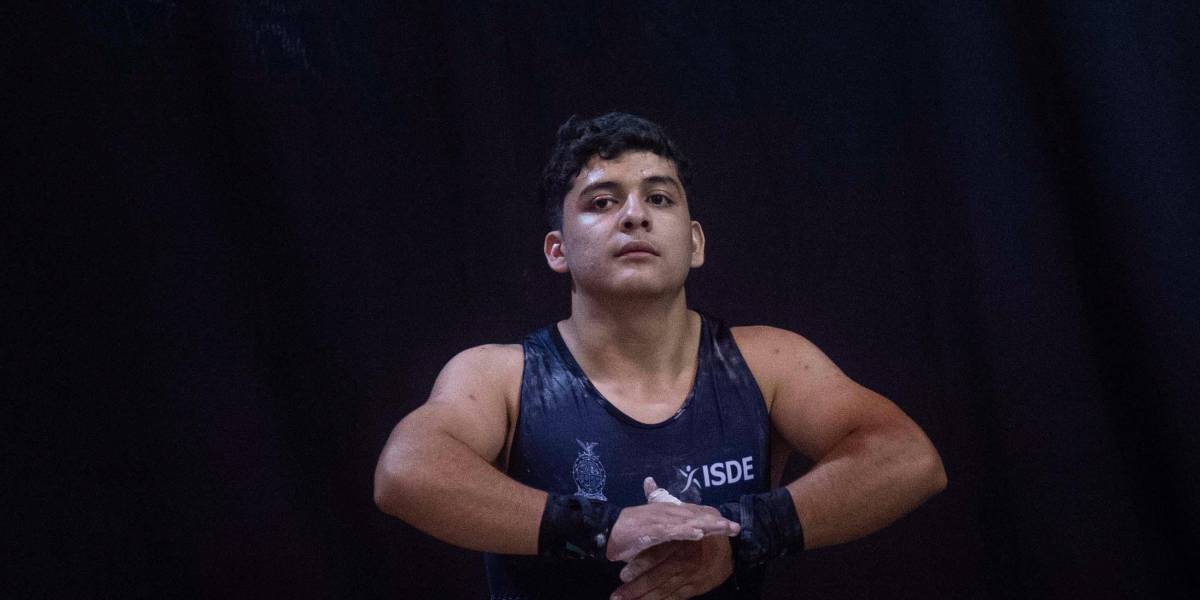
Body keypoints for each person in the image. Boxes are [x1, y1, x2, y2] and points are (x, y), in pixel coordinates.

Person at [374, 112, 947, 599]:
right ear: (557, 250)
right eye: (602, 201)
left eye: (659, 197)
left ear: (694, 242)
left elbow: (907, 457)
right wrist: (606, 529)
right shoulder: (500, 375)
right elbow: (406, 472)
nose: (635, 215)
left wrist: (742, 535)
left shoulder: (768, 361)